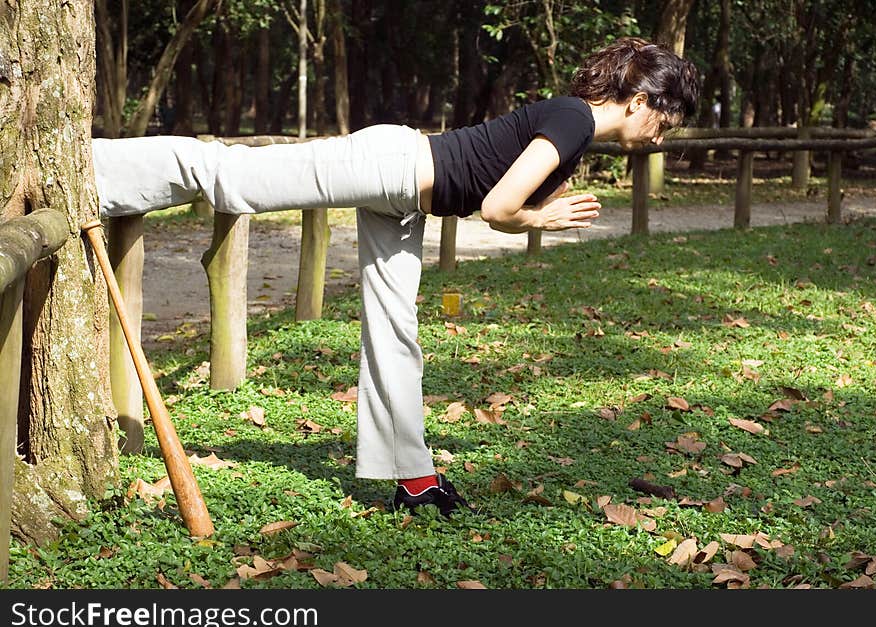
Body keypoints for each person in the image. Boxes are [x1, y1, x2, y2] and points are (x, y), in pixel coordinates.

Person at [92, 36, 700, 517]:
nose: (663, 134)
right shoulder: (572, 121)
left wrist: (536, 210)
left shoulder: (574, 135)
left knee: (395, 335)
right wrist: (541, 216)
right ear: (640, 100)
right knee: (236, 179)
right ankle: (94, 167)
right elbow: (498, 209)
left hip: (406, 200)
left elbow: (492, 194)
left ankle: (414, 480)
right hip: (391, 167)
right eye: (666, 119)